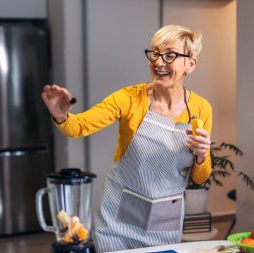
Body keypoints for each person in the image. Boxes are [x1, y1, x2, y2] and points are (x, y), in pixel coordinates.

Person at [41, 24, 212, 252]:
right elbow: (79, 126)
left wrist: (201, 155)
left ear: (190, 64)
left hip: (163, 223)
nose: (159, 62)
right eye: (155, 53)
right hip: (117, 221)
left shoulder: (201, 109)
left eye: (170, 55)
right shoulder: (129, 98)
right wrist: (62, 115)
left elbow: (200, 178)